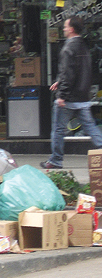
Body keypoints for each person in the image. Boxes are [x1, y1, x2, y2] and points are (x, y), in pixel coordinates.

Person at [40, 16, 102, 169]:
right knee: (91, 127)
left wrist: (61, 95)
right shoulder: (84, 47)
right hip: (83, 97)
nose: (63, 29)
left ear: (72, 29)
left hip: (69, 98)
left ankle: (55, 160)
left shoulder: (68, 48)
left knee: (58, 130)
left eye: (66, 26)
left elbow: (68, 73)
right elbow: (80, 71)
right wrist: (61, 82)